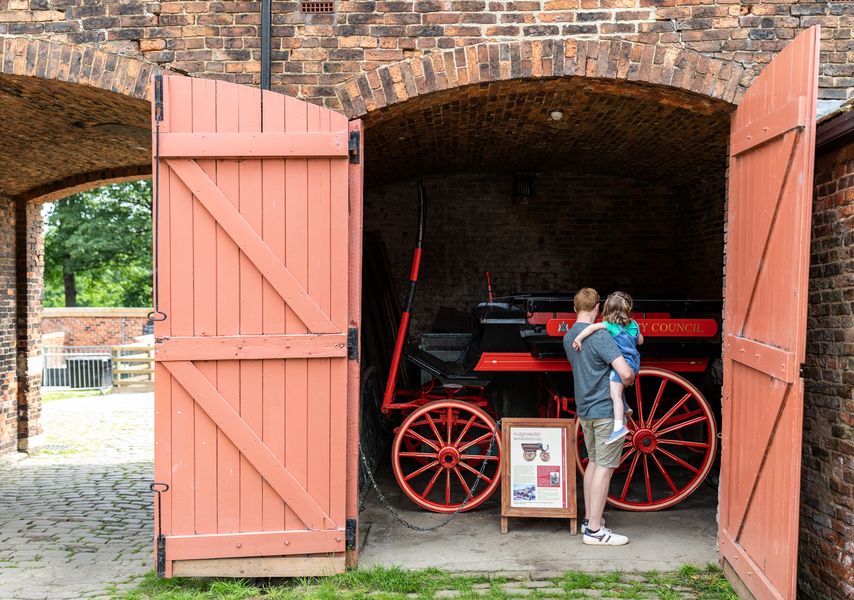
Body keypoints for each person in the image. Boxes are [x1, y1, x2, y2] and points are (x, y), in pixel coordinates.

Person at [563, 287, 635, 546]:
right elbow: (625, 373)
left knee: (593, 463)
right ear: (597, 308)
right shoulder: (601, 337)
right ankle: (594, 530)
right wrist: (628, 381)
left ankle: (589, 519)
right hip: (606, 410)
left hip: (585, 410)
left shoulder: (570, 335)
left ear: (574, 308)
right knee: (604, 468)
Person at [571, 291, 643, 445]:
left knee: (614, 394)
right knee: (615, 381)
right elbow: (640, 341)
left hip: (623, 364)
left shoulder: (609, 326)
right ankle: (626, 407)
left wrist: (578, 338)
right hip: (635, 362)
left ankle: (618, 427)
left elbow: (590, 329)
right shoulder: (635, 325)